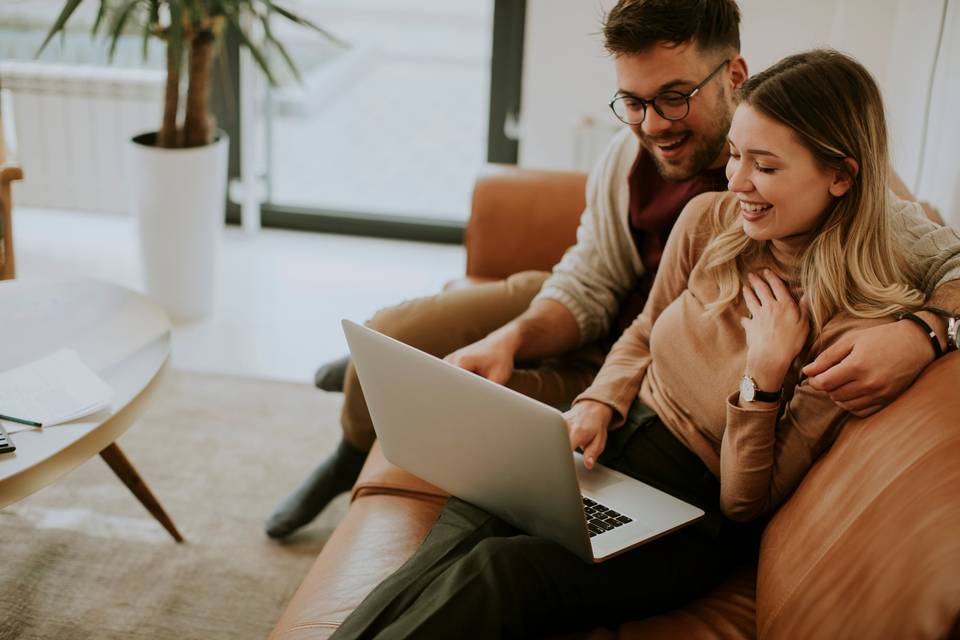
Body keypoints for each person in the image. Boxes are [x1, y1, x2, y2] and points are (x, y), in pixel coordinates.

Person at [265, 0, 960, 539]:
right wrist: (514, 336)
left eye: (674, 96)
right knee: (392, 330)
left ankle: (359, 409)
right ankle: (350, 440)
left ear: (734, 77)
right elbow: (591, 280)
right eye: (633, 100)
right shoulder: (626, 158)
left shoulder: (807, 159)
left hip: (653, 369)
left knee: (424, 374)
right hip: (612, 321)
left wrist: (925, 332)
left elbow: (922, 244)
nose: (652, 123)